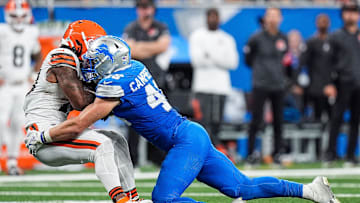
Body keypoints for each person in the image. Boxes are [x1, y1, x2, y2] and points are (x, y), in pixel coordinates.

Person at [26, 35, 338, 203]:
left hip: (183, 140)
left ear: (110, 63)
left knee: (163, 199)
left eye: (96, 62)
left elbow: (81, 122)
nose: (91, 68)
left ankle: (309, 191)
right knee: (241, 186)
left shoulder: (114, 83)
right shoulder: (133, 68)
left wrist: (44, 135)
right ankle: (310, 191)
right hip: (191, 133)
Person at [23, 20, 151, 203]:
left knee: (117, 140)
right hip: (43, 136)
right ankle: (121, 199)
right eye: (94, 41)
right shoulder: (61, 56)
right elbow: (80, 101)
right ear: (80, 40)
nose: (96, 47)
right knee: (102, 144)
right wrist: (114, 94)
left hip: (59, 130)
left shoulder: (80, 63)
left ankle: (133, 198)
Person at [122, 0, 171, 167]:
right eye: (141, 7)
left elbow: (163, 45)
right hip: (136, 82)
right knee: (134, 121)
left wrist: (141, 48)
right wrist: (151, 47)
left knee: (159, 121)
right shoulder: (131, 27)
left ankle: (159, 159)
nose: (144, 10)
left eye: (147, 6)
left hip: (156, 80)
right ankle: (132, 160)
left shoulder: (160, 26)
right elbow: (129, 49)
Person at [0, 0, 42, 175]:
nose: (18, 20)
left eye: (22, 16)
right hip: (5, 85)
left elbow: (38, 54)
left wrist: (34, 75)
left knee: (18, 123)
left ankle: (12, 161)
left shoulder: (31, 32)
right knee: (1, 122)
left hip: (23, 85)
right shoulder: (2, 31)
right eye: (15, 16)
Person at [189, 8, 238, 151]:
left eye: (215, 16)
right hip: (202, 87)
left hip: (221, 87)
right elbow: (197, 61)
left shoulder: (227, 38)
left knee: (217, 122)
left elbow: (232, 62)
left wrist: (209, 55)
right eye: (210, 16)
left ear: (219, 19)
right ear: (206, 18)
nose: (212, 19)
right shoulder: (197, 36)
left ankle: (215, 151)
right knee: (204, 122)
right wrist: (220, 58)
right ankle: (205, 151)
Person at [244, 7, 287, 165]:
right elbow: (248, 60)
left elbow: (286, 60)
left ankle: (277, 153)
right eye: (270, 16)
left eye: (276, 16)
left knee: (278, 121)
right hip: (260, 84)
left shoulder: (283, 38)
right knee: (256, 120)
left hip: (278, 85)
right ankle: (251, 154)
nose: (273, 19)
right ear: (265, 19)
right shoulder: (256, 38)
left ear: (280, 19)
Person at [324, 3, 360, 167]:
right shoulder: (336, 36)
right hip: (341, 82)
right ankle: (331, 153)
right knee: (336, 118)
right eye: (348, 12)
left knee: (355, 120)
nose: (350, 15)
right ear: (343, 15)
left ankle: (350, 155)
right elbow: (328, 62)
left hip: (358, 83)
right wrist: (330, 83)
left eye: (353, 12)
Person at [297, 14, 333, 122]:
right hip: (314, 88)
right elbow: (301, 63)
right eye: (321, 21)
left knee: (333, 120)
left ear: (329, 24)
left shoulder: (334, 42)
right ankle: (316, 139)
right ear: (316, 24)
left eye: (325, 21)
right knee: (315, 119)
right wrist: (299, 83)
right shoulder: (310, 42)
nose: (323, 24)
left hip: (331, 88)